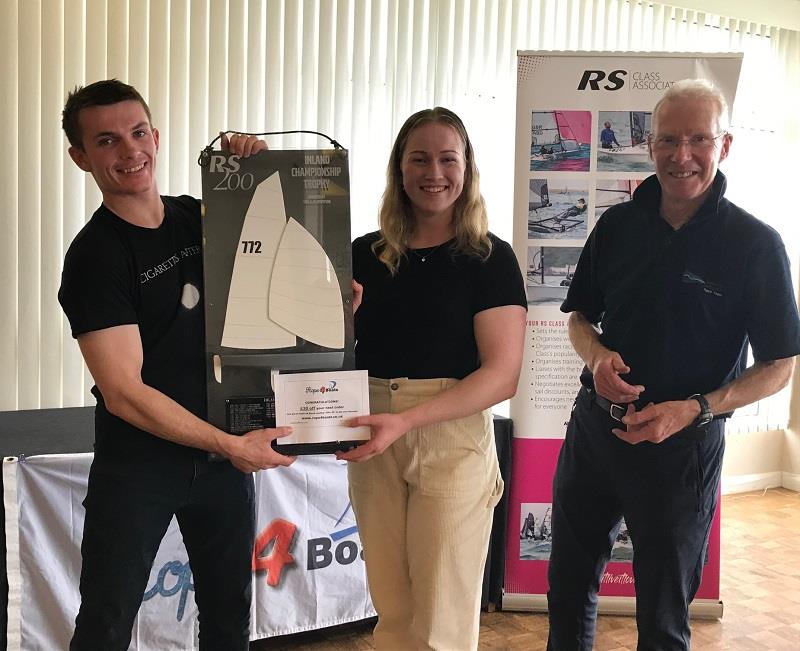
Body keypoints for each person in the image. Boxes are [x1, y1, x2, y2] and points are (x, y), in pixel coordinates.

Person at [547, 79, 800, 650]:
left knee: (662, 618)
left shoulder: (756, 245)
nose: (681, 155)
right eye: (667, 139)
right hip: (595, 431)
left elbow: (780, 364)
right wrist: (597, 356)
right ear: (650, 144)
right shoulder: (616, 226)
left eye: (697, 140)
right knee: (566, 594)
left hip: (682, 448)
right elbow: (578, 319)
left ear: (725, 145)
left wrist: (695, 409)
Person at [58, 79, 295, 651]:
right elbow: (123, 391)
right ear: (81, 157)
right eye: (107, 141)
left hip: (220, 461)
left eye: (138, 133)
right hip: (140, 466)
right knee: (107, 621)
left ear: (156, 138)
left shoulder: (199, 217)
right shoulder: (95, 258)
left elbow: (274, 268)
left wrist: (255, 166)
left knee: (228, 615)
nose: (129, 151)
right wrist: (232, 445)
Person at [339, 107, 527, 650]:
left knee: (442, 617)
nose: (434, 172)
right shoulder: (363, 254)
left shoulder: (489, 258)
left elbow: (502, 375)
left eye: (448, 158)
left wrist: (407, 420)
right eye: (418, 158)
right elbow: (327, 353)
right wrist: (336, 324)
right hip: (372, 429)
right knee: (392, 607)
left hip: (451, 434)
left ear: (467, 168)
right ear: (399, 169)